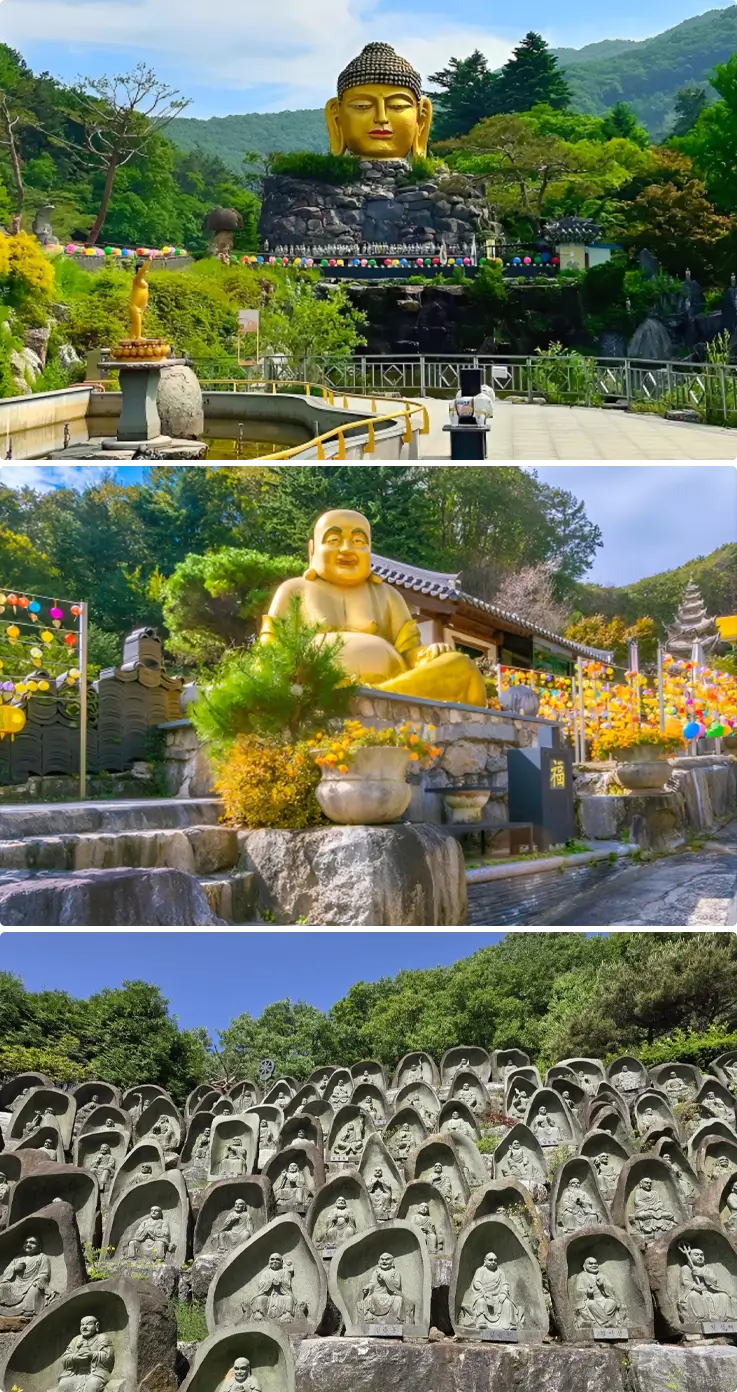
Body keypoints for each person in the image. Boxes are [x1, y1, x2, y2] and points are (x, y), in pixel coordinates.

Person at [262, 511, 486, 706]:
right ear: (312, 550)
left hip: (392, 682)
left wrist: (428, 653)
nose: (347, 549)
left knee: (462, 667)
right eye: (333, 539)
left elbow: (409, 654)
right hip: (315, 689)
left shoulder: (387, 595)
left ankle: (371, 696)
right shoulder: (294, 590)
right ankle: (368, 698)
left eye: (359, 541)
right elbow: (269, 653)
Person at [459, 1252, 522, 1330]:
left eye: (495, 1260)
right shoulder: (480, 1270)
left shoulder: (500, 1272)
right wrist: (484, 1293)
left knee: (507, 1303)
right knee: (481, 1302)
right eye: (491, 1260)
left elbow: (505, 1284)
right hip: (484, 1295)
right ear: (485, 1261)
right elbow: (477, 1282)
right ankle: (482, 1323)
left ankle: (509, 1325)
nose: (493, 1262)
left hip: (498, 1297)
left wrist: (503, 1293)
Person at [678, 1244, 737, 1322]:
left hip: (709, 1290)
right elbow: (685, 1281)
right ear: (690, 1256)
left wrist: (702, 1274)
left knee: (724, 1296)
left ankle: (726, 1317)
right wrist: (694, 1286)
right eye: (696, 1255)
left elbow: (714, 1280)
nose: (700, 1257)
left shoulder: (707, 1269)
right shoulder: (686, 1268)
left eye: (702, 1255)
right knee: (693, 1296)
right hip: (695, 1291)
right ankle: (701, 1318)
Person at [56, 1316, 114, 1392]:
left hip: (95, 1373)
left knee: (93, 1384)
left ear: (97, 1326)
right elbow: (65, 1357)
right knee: (63, 1384)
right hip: (75, 1373)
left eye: (89, 1324)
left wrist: (92, 1355)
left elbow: (108, 1356)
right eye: (82, 1325)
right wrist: (74, 1357)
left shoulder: (102, 1338)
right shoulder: (76, 1340)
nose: (84, 1327)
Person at [0, 1235, 52, 1318]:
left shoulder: (42, 1257)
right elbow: (6, 1271)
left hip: (31, 1283)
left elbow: (44, 1274)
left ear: (39, 1246)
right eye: (26, 1242)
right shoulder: (18, 1258)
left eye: (32, 1243)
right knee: (2, 1287)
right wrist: (14, 1268)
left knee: (34, 1289)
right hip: (16, 1285)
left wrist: (38, 1281)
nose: (28, 1244)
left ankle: (28, 1310)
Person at [249, 1254, 305, 1322]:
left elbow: (288, 1284)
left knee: (289, 1299)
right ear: (269, 1262)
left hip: (281, 1295)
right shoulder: (265, 1273)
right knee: (259, 1299)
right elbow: (261, 1285)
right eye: (272, 1259)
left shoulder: (285, 1272)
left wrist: (280, 1282)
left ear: (281, 1262)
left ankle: (287, 1315)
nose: (275, 1261)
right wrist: (270, 1282)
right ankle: (259, 1314)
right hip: (268, 1296)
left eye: (277, 1259)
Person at [358, 1252, 411, 1323]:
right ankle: (370, 1319)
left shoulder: (395, 1273)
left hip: (391, 1296)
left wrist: (385, 1279)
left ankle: (397, 1320)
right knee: (369, 1299)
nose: (384, 1261)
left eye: (387, 1259)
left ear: (392, 1261)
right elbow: (372, 1283)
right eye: (382, 1259)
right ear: (379, 1261)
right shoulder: (376, 1272)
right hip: (376, 1295)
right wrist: (367, 1288)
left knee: (399, 1299)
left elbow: (397, 1285)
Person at [573, 1257, 623, 1329]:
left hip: (603, 1299)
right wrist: (587, 1291)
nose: (594, 1265)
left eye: (595, 1263)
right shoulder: (581, 1276)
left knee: (612, 1303)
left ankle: (604, 1320)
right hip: (590, 1300)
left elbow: (611, 1289)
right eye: (591, 1263)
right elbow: (577, 1291)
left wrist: (603, 1286)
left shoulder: (601, 1275)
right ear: (584, 1266)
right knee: (591, 1304)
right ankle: (606, 1322)